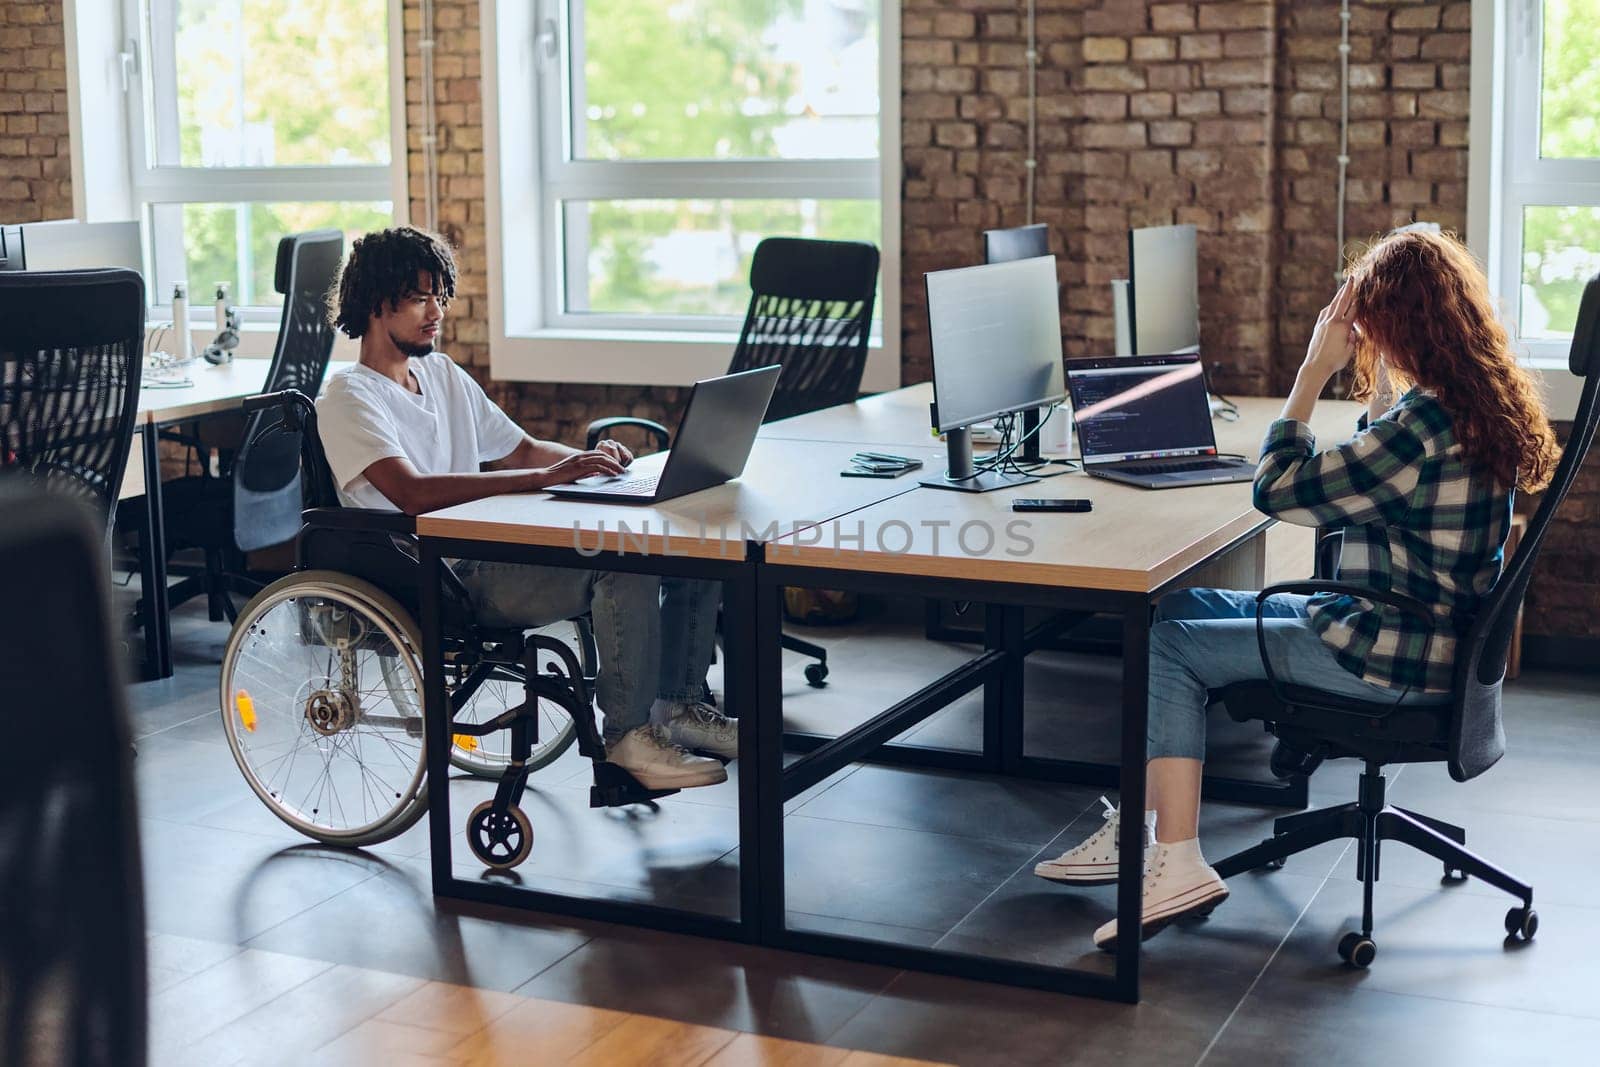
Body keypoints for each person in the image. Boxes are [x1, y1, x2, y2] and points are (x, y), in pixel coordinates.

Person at [1033, 229, 1560, 950]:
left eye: (1370, 320)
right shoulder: (1470, 406)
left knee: (1167, 643)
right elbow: (1376, 463)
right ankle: (1141, 826)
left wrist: (1314, 370)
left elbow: (1275, 489)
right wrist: (1380, 370)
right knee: (1177, 606)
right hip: (1432, 644)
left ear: (1398, 323)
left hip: (1385, 659)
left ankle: (1178, 858)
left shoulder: (1421, 431)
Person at [314, 226, 736, 791]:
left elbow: (525, 449)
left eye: (440, 295)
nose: (436, 311)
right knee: (623, 559)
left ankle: (680, 706)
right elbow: (411, 493)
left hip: (488, 551)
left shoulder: (440, 374)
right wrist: (543, 477)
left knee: (680, 537)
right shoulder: (347, 397)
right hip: (439, 575)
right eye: (419, 298)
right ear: (373, 304)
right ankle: (628, 740)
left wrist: (594, 461)